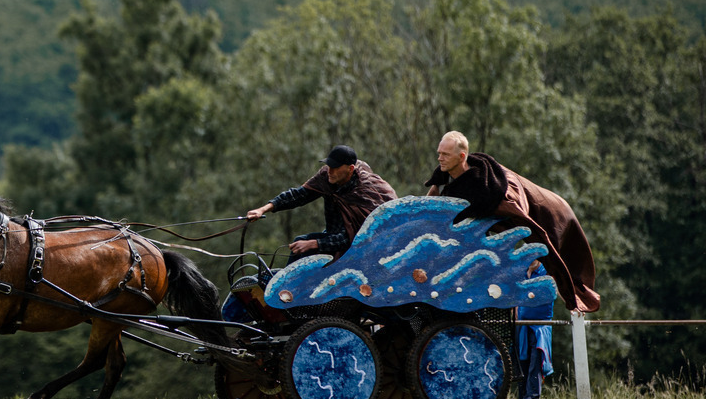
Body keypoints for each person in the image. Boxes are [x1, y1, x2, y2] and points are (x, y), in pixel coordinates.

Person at [425, 130, 600, 313]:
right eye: (439, 153)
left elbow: (528, 223)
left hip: (548, 211)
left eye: (445, 154)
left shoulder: (491, 189)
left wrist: (537, 258)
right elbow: (430, 211)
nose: (440, 158)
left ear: (461, 157)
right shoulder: (444, 176)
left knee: (555, 257)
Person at [246, 145, 397, 262]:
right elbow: (298, 195)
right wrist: (263, 209)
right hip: (332, 238)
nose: (329, 171)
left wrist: (314, 244)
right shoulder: (327, 178)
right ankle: (285, 293)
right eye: (329, 165)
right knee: (300, 243)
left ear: (350, 169)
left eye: (335, 167)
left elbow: (354, 238)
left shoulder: (365, 191)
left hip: (359, 250)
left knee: (305, 246)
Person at [516, 260, 554, 399]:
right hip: (522, 323)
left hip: (540, 325)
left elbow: (562, 288)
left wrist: (573, 306)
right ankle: (522, 398)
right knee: (522, 362)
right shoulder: (520, 271)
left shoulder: (548, 271)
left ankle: (531, 398)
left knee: (536, 361)